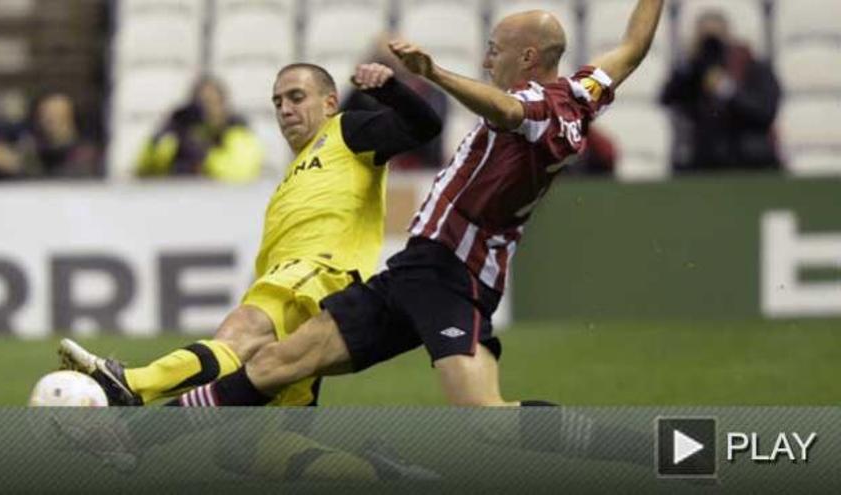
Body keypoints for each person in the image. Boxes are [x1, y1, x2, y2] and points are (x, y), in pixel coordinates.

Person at [166, 0, 665, 409]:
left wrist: (436, 73)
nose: (488, 60)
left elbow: (508, 110)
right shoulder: (581, 93)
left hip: (453, 276)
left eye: (494, 51)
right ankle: (147, 434)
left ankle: (613, 446)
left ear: (529, 57)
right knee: (276, 364)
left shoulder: (533, 105)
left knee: (484, 419)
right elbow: (633, 47)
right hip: (416, 270)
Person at [59, 62, 442, 408]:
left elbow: (425, 125)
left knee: (238, 335)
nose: (285, 110)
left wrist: (388, 89)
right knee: (264, 452)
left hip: (315, 277)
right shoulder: (294, 173)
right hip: (300, 287)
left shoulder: (346, 132)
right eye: (277, 102)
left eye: (296, 97)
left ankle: (129, 385)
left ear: (329, 103)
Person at [660, 9, 782, 172]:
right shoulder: (693, 70)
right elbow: (667, 99)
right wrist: (689, 66)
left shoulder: (753, 67)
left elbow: (766, 112)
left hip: (749, 159)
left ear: (729, 36)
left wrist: (727, 90)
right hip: (702, 160)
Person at [342, 33, 449, 170]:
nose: (385, 69)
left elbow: (431, 138)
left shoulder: (432, 94)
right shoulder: (361, 94)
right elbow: (344, 129)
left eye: (393, 61)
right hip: (368, 164)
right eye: (382, 62)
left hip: (419, 169)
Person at [136, 76, 266, 182]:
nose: (206, 111)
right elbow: (143, 170)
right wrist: (161, 136)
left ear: (222, 105)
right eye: (200, 104)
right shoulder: (180, 136)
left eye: (211, 103)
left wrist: (203, 155)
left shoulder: (238, 132)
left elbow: (239, 173)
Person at [29, 91, 102, 178]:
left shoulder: (87, 155)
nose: (52, 122)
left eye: (59, 116)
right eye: (46, 116)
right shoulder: (33, 152)